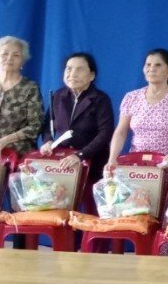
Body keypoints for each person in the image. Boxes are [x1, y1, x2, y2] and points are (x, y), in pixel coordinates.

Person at [40, 52, 115, 209]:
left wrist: (80, 155)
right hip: (64, 163)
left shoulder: (100, 99)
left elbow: (105, 133)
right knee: (60, 207)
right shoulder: (58, 96)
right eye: (69, 69)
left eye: (79, 69)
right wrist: (47, 141)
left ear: (92, 75)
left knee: (90, 211)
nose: (72, 74)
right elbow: (47, 125)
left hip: (93, 162)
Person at [106, 49, 168, 172]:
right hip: (137, 164)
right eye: (148, 65)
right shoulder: (131, 97)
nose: (151, 69)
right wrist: (112, 159)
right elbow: (121, 132)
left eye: (158, 65)